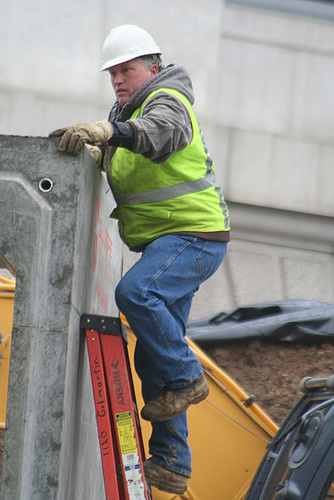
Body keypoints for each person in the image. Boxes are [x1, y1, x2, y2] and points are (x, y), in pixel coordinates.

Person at [50, 24, 230, 495]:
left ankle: (190, 376)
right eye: (112, 73)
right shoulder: (128, 113)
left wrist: (112, 130)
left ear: (152, 66)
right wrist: (99, 149)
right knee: (153, 357)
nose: (118, 79)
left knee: (137, 294)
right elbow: (131, 145)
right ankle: (172, 461)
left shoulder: (168, 98)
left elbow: (159, 134)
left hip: (193, 237)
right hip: (169, 242)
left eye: (126, 69)